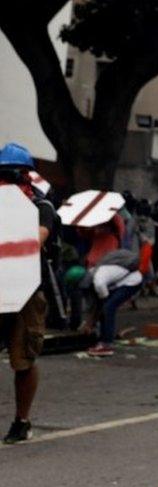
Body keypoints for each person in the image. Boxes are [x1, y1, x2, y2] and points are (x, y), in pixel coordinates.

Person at [0, 143, 56, 444]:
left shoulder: (40, 206)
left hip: (27, 291)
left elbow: (39, 237)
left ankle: (21, 420)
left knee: (23, 359)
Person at [81, 249, 144, 357]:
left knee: (108, 308)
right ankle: (103, 338)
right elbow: (97, 304)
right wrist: (90, 322)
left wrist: (91, 322)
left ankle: (106, 344)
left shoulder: (98, 281)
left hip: (132, 281)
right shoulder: (93, 274)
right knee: (105, 308)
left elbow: (102, 304)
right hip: (119, 282)